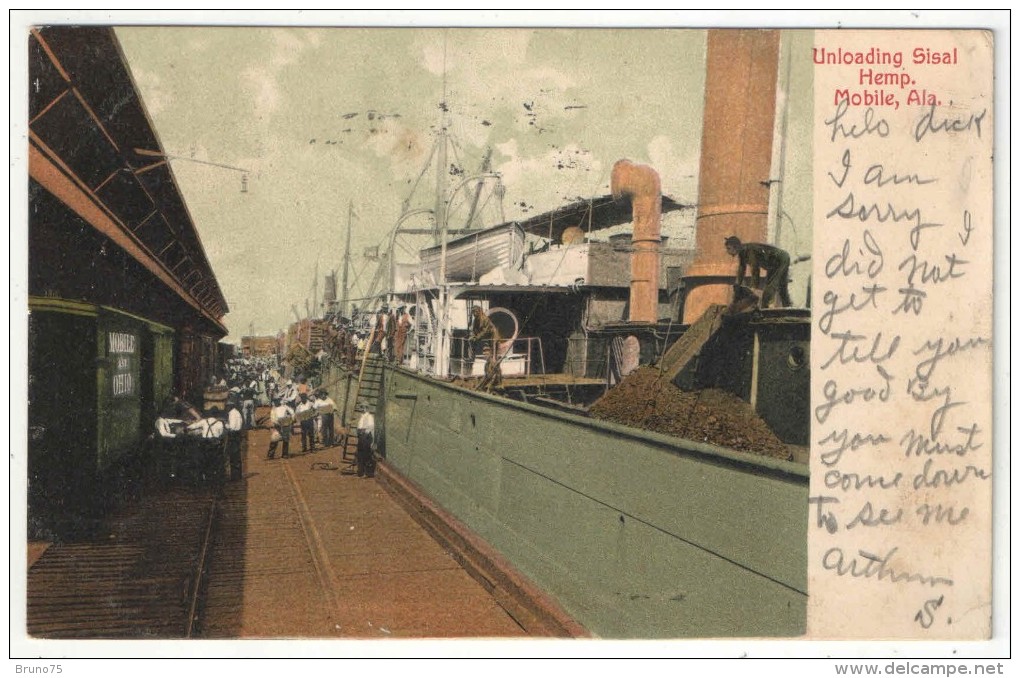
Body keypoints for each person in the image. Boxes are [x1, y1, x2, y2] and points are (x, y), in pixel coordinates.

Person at [724, 236, 792, 309]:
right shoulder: (742, 253)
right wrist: (737, 284)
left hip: (780, 260)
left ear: (736, 247)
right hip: (773, 265)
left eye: (729, 248)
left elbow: (755, 270)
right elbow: (741, 270)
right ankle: (788, 307)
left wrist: (753, 288)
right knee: (781, 287)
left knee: (770, 288)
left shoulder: (750, 250)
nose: (727, 251)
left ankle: (765, 310)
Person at [225, 400, 245, 481]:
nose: (226, 408)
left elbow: (232, 427)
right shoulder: (237, 412)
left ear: (230, 406)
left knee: (233, 456)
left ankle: (235, 477)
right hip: (237, 434)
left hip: (233, 435)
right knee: (236, 455)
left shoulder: (232, 414)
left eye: (227, 406)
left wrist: (225, 425)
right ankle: (238, 475)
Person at [355, 402, 376, 478]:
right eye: (362, 407)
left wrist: (365, 433)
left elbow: (371, 426)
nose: (362, 409)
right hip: (361, 435)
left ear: (367, 408)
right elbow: (360, 426)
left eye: (363, 407)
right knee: (359, 453)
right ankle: (360, 472)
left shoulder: (369, 416)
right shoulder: (362, 416)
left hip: (366, 436)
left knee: (365, 454)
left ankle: (366, 473)